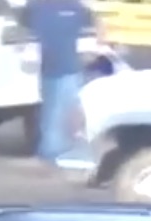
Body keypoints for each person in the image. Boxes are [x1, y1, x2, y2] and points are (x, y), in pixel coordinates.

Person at [23, 0, 93, 166]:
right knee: (54, 112)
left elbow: (88, 35)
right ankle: (53, 154)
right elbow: (25, 34)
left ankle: (52, 153)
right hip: (43, 69)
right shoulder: (35, 7)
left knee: (56, 112)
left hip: (65, 68)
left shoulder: (77, 7)